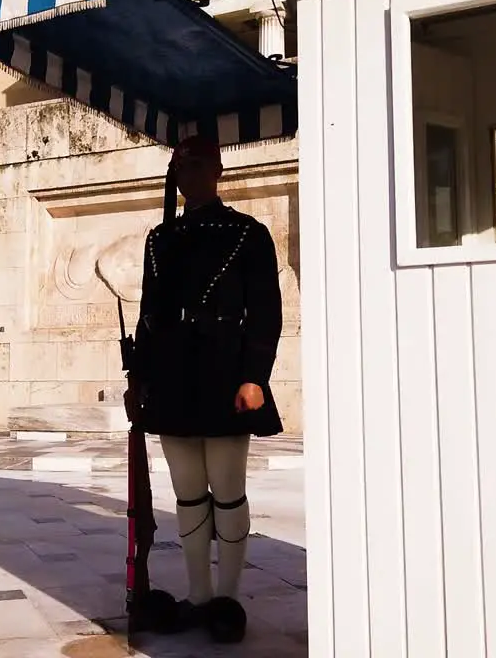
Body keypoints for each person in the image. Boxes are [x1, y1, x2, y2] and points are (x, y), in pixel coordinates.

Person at [126, 134, 284, 644]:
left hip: (223, 372)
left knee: (228, 490)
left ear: (217, 171)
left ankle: (228, 596)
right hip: (173, 376)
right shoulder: (160, 239)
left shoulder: (248, 233)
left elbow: (265, 312)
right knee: (188, 493)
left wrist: (255, 376)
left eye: (197, 165)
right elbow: (150, 317)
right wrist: (140, 379)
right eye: (181, 166)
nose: (189, 175)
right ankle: (198, 594)